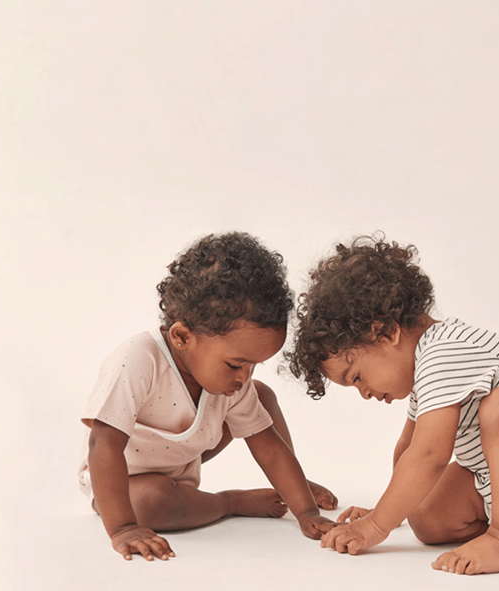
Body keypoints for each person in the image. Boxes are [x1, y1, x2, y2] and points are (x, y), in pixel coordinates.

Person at [285, 235, 499, 575]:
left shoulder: (445, 350)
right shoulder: (425, 372)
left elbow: (430, 455)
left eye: (358, 376)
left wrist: (375, 527)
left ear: (386, 332)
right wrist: (386, 512)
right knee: (426, 518)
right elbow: (408, 449)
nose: (364, 393)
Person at [79, 232, 337, 561]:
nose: (244, 376)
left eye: (254, 365)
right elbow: (104, 444)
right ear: (183, 336)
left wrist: (306, 512)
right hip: (126, 477)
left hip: (184, 457)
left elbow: (270, 449)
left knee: (262, 398)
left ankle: (292, 484)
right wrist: (123, 527)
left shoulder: (234, 380)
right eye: (235, 364)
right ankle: (230, 502)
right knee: (151, 504)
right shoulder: (138, 359)